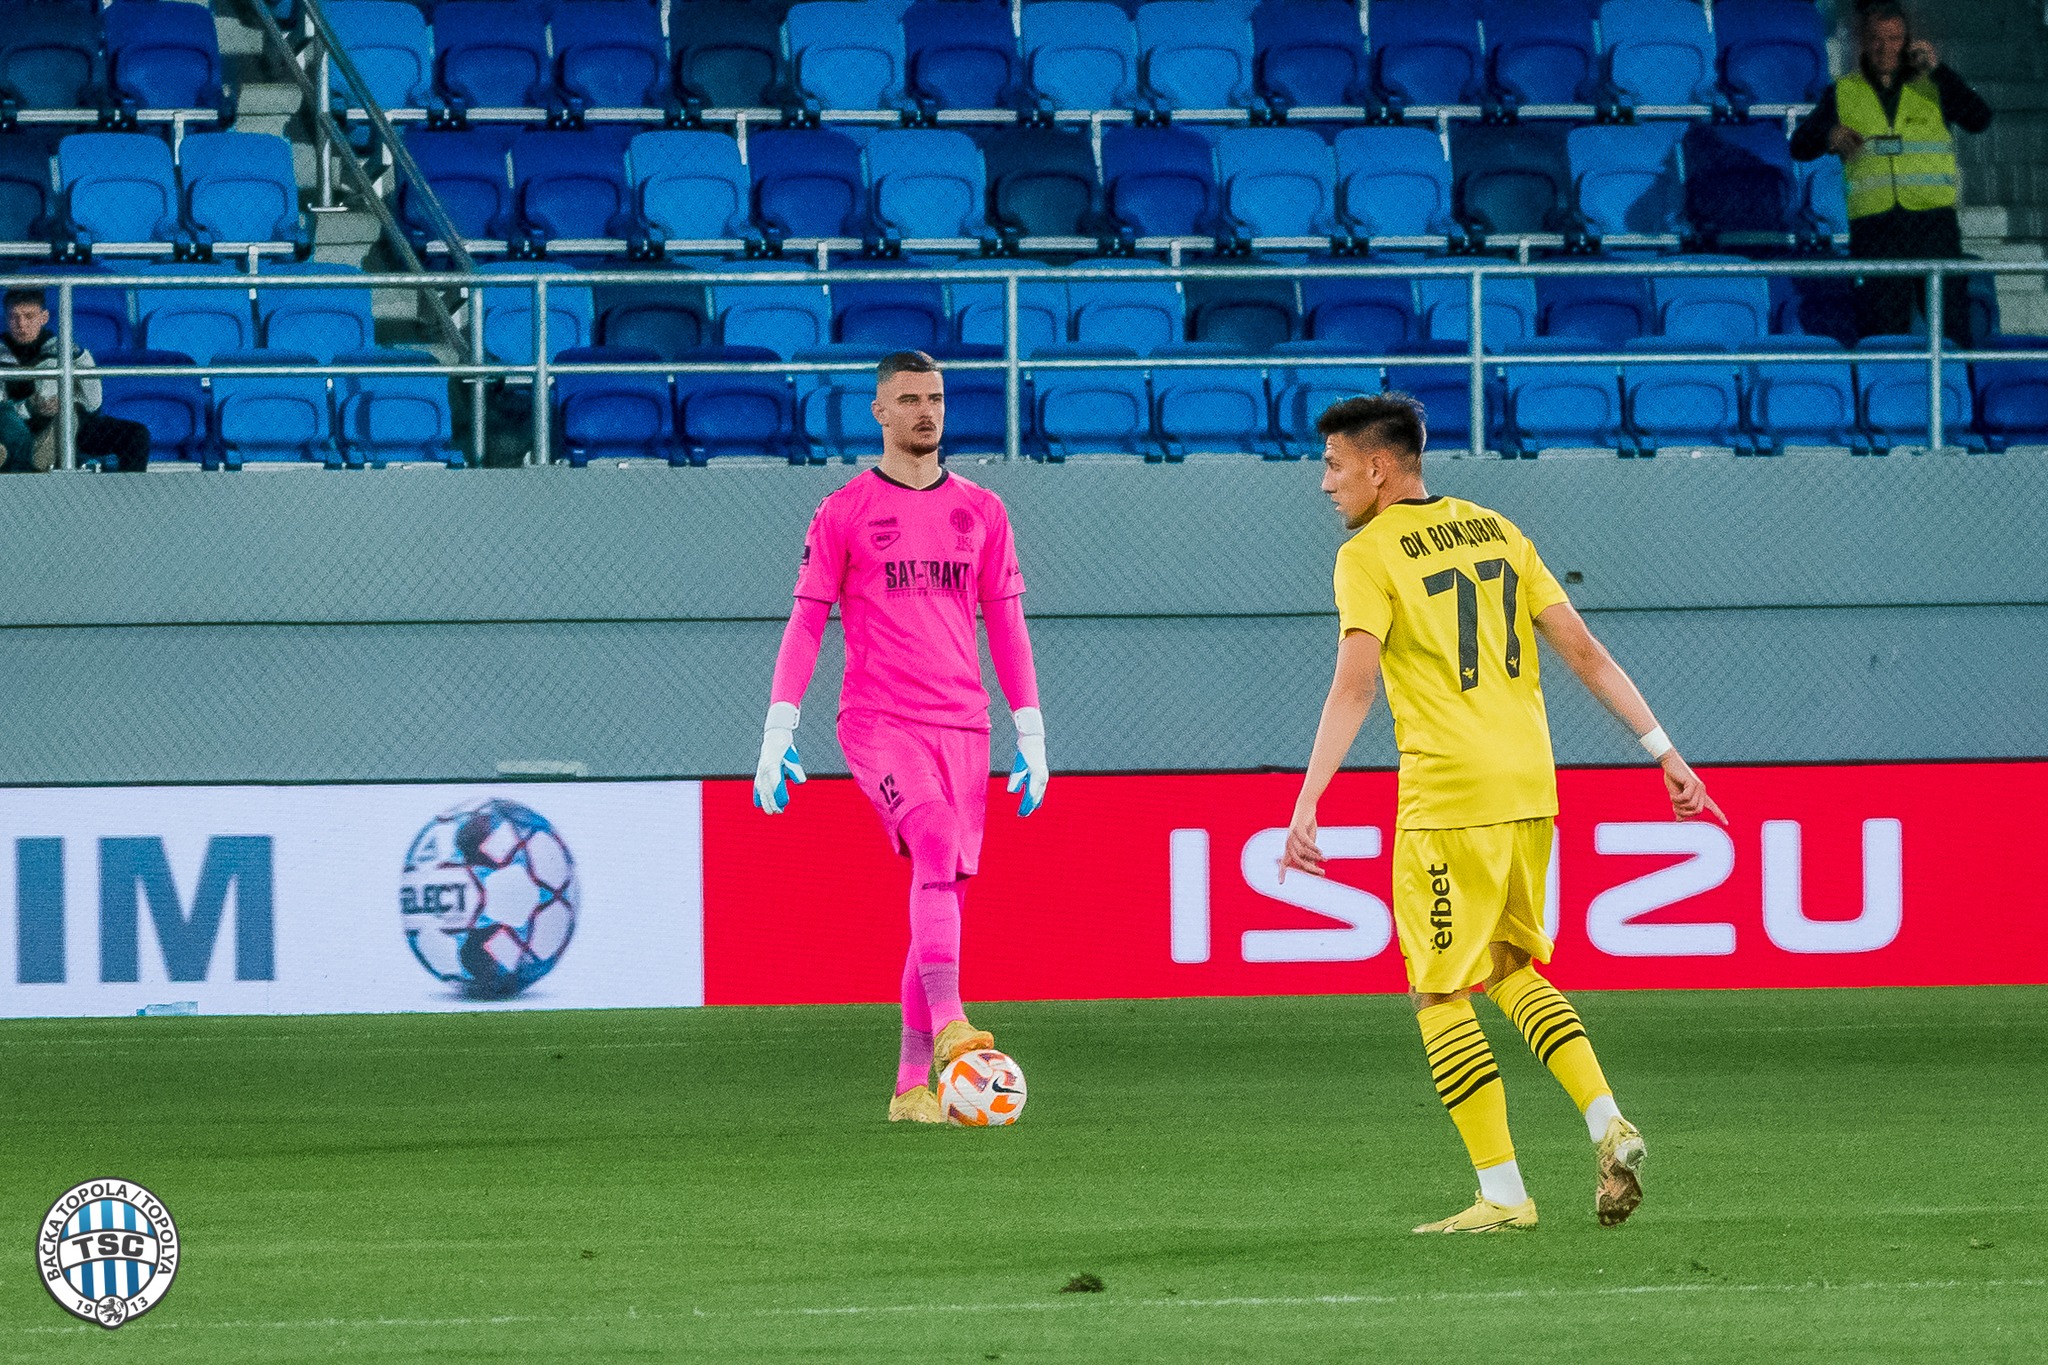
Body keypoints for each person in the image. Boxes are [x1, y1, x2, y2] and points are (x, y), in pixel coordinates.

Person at [1280, 394, 1725, 1234]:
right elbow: (1585, 651)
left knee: (1438, 991)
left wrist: (1308, 798)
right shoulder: (1498, 529)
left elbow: (1355, 684)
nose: (1325, 483)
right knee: (1512, 965)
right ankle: (1608, 1122)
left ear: (1378, 466)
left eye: (1334, 465)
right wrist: (1663, 749)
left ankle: (1504, 1193)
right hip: (1529, 786)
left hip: (1450, 794)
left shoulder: (1367, 554)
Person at [754, 349, 1050, 1124]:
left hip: (964, 725)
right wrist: (779, 727)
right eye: (911, 399)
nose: (927, 412)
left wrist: (1030, 729)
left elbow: (1007, 624)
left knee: (941, 884)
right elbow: (806, 620)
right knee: (933, 837)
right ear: (879, 411)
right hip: (879, 720)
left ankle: (910, 1086)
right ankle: (952, 1023)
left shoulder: (983, 510)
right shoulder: (844, 510)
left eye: (937, 398)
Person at [1790, 1, 1993, 346]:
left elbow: (1979, 119)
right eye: (1877, 39)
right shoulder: (1844, 92)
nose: (1886, 48)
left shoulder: (1934, 87)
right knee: (1883, 335)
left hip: (1933, 226)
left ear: (1908, 41)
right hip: (1876, 231)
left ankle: (1958, 382)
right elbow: (1799, 146)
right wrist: (1828, 134)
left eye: (1895, 38)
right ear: (1864, 42)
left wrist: (1939, 70)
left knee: (1952, 331)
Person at [0, 289, 151, 472]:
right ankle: (40, 457)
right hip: (19, 425)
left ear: (44, 317)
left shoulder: (69, 350)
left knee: (136, 434)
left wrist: (67, 403)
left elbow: (93, 403)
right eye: (14, 317)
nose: (21, 324)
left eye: (29, 316)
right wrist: (30, 407)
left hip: (72, 422)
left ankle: (129, 492)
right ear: (6, 318)